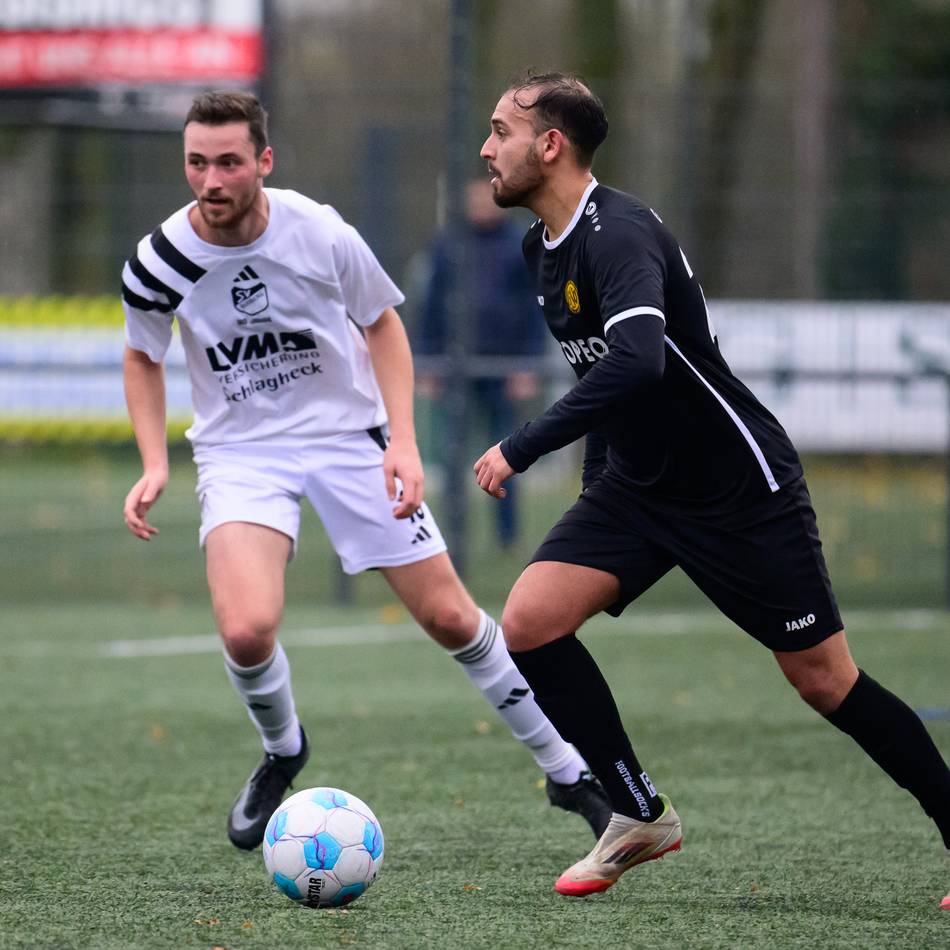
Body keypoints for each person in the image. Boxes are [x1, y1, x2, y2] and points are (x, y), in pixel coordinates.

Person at [473, 71, 950, 907]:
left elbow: (639, 358)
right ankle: (637, 810)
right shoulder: (539, 248)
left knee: (825, 680)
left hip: (739, 492)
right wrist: (597, 490)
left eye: (500, 131)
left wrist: (521, 445)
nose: (486, 148)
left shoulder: (617, 231)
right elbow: (607, 380)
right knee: (530, 623)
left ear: (549, 144)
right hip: (637, 490)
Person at [120, 90, 611, 853]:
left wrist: (403, 442)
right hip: (242, 451)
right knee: (247, 631)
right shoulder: (160, 260)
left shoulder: (317, 231)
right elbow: (141, 356)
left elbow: (382, 323)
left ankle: (566, 768)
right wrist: (154, 461)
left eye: (228, 162)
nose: (210, 180)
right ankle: (284, 751)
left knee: (451, 617)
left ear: (264, 162)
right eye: (196, 162)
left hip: (349, 437)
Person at [414, 177, 548, 547]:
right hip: (455, 366)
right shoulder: (447, 244)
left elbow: (536, 309)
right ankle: (450, 537)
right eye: (473, 197)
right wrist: (427, 363)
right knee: (451, 454)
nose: (480, 205)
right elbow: (430, 308)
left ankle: (506, 535)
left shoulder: (520, 243)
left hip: (504, 367)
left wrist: (528, 364)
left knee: (508, 451)